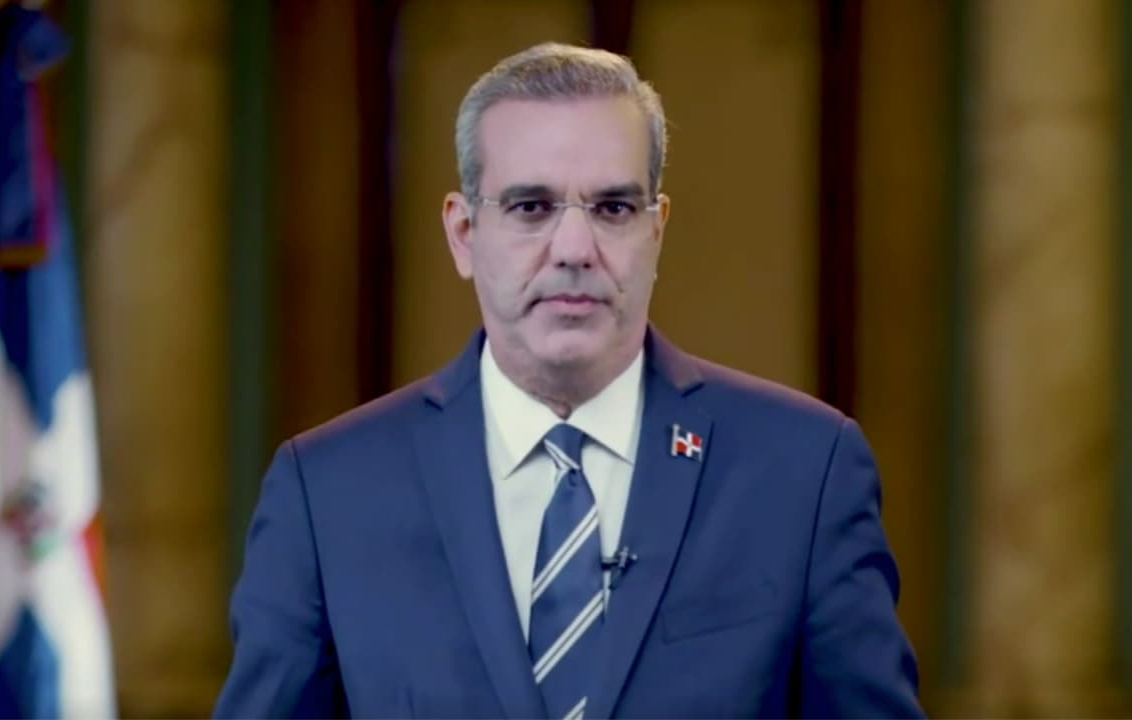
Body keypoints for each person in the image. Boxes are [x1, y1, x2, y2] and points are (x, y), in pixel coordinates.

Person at [214, 42, 923, 719]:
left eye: (613, 209)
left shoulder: (803, 472)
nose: (575, 249)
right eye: (532, 207)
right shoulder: (328, 493)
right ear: (463, 234)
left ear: (656, 230)